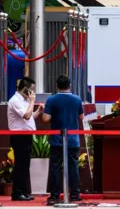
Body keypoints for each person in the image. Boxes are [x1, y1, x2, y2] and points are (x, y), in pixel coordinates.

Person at [42, 75, 84, 205]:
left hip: (57, 139)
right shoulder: (77, 99)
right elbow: (81, 117)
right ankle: (75, 195)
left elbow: (46, 119)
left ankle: (54, 195)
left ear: (57, 85)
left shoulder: (52, 100)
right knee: (73, 166)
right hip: (73, 139)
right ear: (69, 85)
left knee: (55, 167)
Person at [7, 77, 44, 201]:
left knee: (25, 165)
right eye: (32, 90)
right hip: (19, 136)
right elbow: (27, 115)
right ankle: (17, 193)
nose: (33, 93)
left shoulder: (24, 100)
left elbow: (31, 116)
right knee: (20, 165)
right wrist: (33, 101)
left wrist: (38, 111)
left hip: (26, 136)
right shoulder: (15, 100)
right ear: (25, 89)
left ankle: (23, 190)